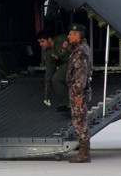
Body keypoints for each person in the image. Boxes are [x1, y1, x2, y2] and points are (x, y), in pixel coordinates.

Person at [66, 23, 93, 163]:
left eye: (70, 34)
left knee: (80, 122)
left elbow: (81, 75)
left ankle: (84, 152)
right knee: (79, 120)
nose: (68, 36)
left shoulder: (80, 52)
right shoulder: (78, 49)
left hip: (78, 91)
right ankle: (83, 150)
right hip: (77, 90)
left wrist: (78, 94)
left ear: (77, 36)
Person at [36, 29, 71, 112]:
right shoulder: (48, 51)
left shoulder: (63, 40)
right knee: (56, 79)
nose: (41, 44)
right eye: (39, 42)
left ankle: (72, 105)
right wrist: (47, 93)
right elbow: (49, 69)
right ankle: (65, 103)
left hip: (78, 61)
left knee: (72, 80)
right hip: (67, 63)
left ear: (50, 39)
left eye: (42, 41)